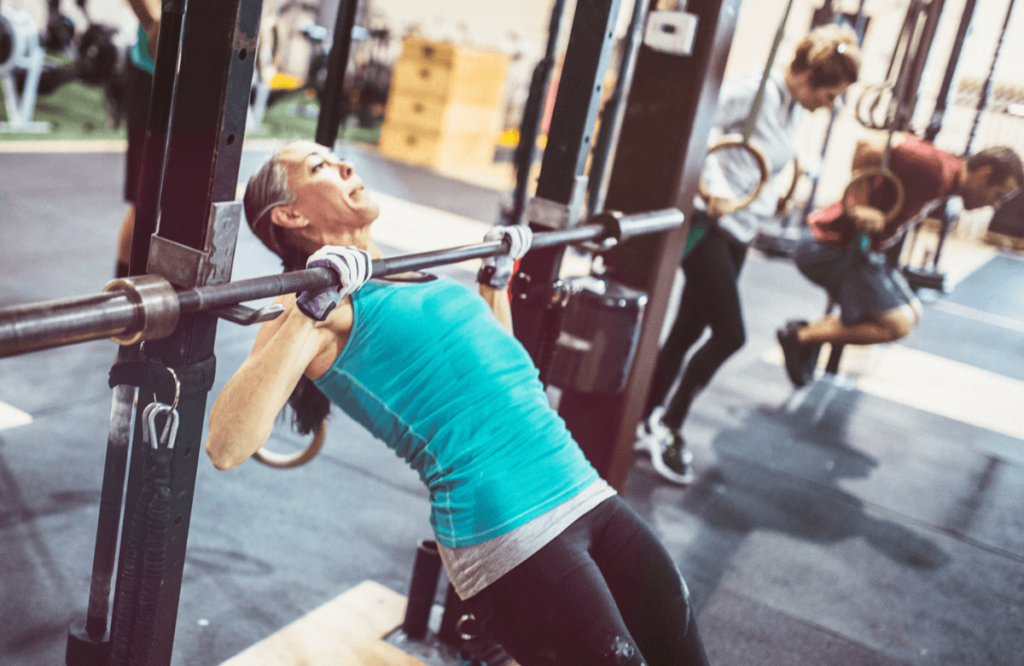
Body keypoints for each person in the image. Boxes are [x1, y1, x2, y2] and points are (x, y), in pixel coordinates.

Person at [205, 140, 712, 666]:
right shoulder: (317, 304)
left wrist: (495, 279)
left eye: (336, 158)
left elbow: (506, 375)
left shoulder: (409, 269)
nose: (345, 165)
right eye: (321, 167)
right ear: (290, 214)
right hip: (507, 529)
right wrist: (311, 305)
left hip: (582, 488)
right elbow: (226, 444)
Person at [638, 25, 862, 484]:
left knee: (687, 330)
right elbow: (691, 127)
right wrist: (715, 188)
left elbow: (761, 157)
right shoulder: (753, 91)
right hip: (711, 227)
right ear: (808, 80)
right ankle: (669, 423)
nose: (831, 103)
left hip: (740, 232)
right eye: (832, 93)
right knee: (731, 335)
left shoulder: (793, 108)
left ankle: (645, 419)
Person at [777, 136, 1023, 387]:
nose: (994, 204)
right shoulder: (935, 170)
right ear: (983, 174)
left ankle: (807, 335)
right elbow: (867, 147)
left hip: (858, 251)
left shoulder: (946, 174)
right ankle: (800, 337)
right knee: (897, 324)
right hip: (828, 247)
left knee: (912, 312)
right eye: (998, 194)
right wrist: (860, 205)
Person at [114, 0, 159, 278]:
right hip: (154, 76)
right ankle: (120, 296)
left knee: (193, 201)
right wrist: (155, 23)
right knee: (145, 201)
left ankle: (172, 302)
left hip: (201, 88)